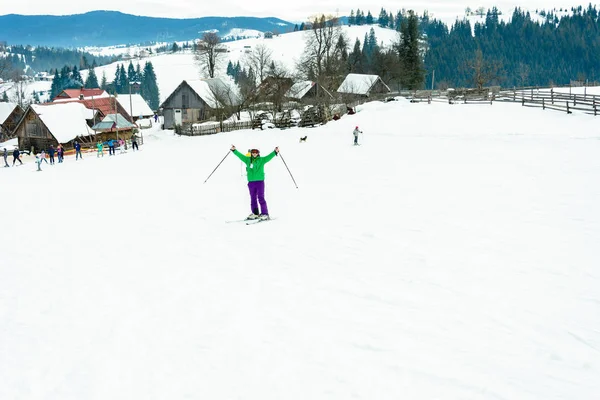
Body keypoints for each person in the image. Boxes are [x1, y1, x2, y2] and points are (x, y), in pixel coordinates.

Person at [230, 145, 279, 220]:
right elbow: (240, 156)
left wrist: (275, 152)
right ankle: (255, 213)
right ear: (251, 153)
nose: (254, 154)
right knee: (253, 198)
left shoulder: (262, 160)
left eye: (256, 152)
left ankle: (265, 213)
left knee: (261, 197)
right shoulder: (247, 160)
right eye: (253, 152)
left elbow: (269, 157)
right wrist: (234, 150)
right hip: (251, 182)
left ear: (258, 153)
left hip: (260, 182)